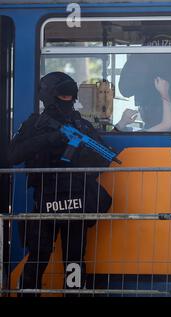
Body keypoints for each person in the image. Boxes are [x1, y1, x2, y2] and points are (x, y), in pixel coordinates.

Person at [8, 72, 114, 296]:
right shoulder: (36, 124)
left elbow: (104, 157)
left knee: (74, 257)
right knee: (39, 253)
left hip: (76, 200)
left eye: (69, 96)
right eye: (62, 96)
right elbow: (11, 155)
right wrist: (49, 138)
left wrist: (78, 151)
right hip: (47, 198)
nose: (67, 101)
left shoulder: (81, 125)